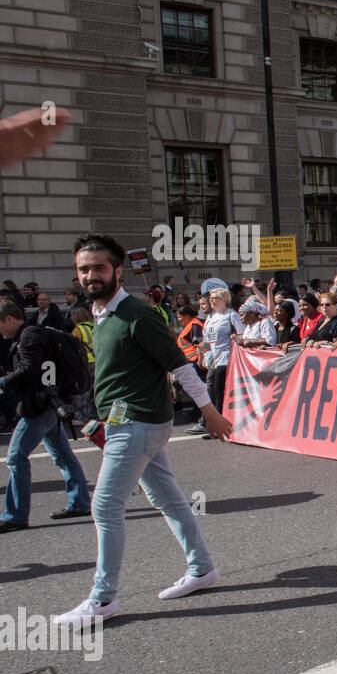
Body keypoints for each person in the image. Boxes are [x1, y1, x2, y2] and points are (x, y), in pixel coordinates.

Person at [54, 234, 233, 629]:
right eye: (84, 269)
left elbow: (180, 364)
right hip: (126, 423)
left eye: (99, 267)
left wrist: (210, 412)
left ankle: (102, 600)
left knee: (104, 507)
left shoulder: (138, 314)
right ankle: (202, 568)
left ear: (117, 270)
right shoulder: (101, 316)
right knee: (166, 497)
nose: (90, 275)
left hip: (137, 423)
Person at [0, 300, 92, 531]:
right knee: (62, 453)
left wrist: (3, 383)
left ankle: (15, 516)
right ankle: (79, 501)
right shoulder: (37, 332)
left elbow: (29, 369)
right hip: (50, 401)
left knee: (15, 457)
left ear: (9, 319)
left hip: (39, 405)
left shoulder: (29, 336)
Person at [192, 286, 242, 437]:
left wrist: (236, 339)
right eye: (211, 298)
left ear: (224, 299)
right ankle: (210, 422)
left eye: (215, 298)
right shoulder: (210, 318)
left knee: (218, 391)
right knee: (210, 389)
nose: (212, 301)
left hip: (226, 357)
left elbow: (241, 334)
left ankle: (218, 425)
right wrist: (201, 351)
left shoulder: (231, 315)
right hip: (213, 358)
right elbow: (208, 342)